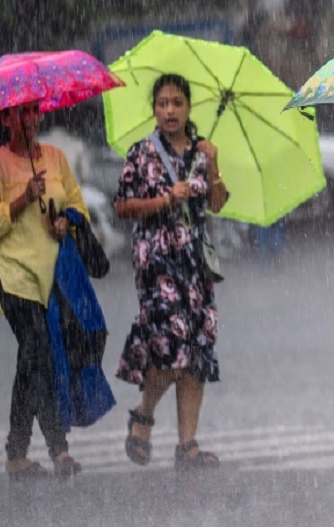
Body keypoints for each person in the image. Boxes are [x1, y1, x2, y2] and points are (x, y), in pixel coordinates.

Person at [114, 73, 229, 472]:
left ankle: (188, 445)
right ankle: (143, 415)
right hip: (156, 260)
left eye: (177, 102)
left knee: (196, 348)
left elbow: (216, 203)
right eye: (163, 103)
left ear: (188, 107)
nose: (170, 110)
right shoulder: (142, 152)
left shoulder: (201, 150)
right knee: (169, 343)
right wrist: (166, 199)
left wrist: (212, 165)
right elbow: (122, 206)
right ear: (154, 109)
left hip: (194, 262)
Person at [0, 100, 87, 479]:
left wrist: (65, 222)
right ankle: (59, 450)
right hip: (12, 275)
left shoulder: (54, 158)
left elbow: (77, 207)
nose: (30, 118)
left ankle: (16, 455)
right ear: (5, 119)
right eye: (21, 112)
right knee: (39, 353)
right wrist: (22, 198)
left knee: (30, 362)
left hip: (48, 275)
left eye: (34, 110)